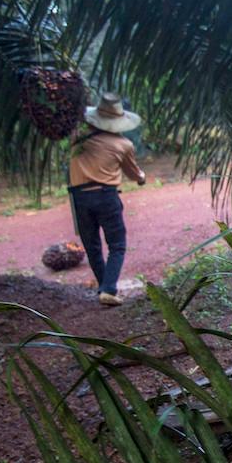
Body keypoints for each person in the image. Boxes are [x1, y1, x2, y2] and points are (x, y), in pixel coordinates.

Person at [68, 92, 147, 306]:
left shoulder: (77, 136)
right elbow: (133, 173)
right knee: (117, 244)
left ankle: (104, 286)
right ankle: (109, 289)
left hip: (79, 198)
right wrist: (141, 178)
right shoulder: (123, 145)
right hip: (106, 196)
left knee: (91, 244)